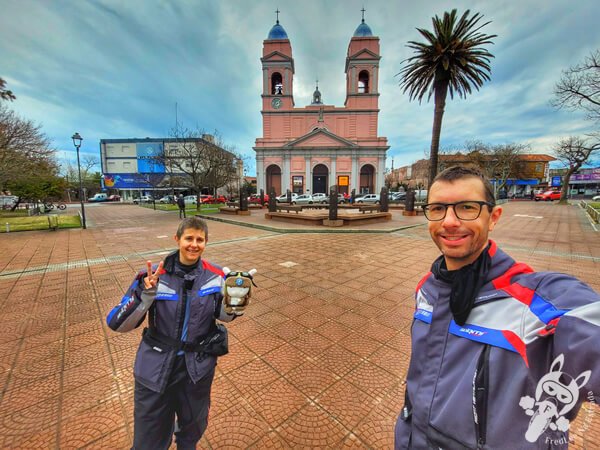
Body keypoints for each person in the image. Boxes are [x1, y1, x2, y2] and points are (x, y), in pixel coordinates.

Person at [395, 166, 600, 449]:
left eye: (467, 207)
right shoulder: (428, 288)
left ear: (493, 218)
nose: (450, 221)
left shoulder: (535, 301)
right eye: (438, 208)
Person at [106, 217, 249, 449]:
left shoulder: (216, 276)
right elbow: (117, 323)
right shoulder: (152, 277)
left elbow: (225, 316)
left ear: (206, 242)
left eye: (200, 240)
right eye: (188, 238)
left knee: (192, 430)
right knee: (147, 440)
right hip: (155, 367)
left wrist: (236, 302)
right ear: (177, 239)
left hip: (197, 369)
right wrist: (144, 295)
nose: (194, 244)